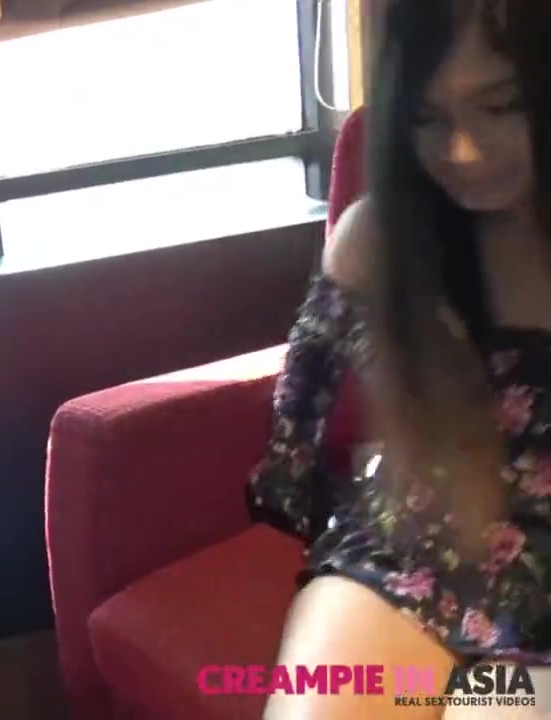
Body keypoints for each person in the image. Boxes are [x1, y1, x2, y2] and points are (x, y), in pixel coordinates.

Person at [246, 0, 549, 717]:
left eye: (499, 105)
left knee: (492, 710)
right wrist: (300, 499)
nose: (462, 151)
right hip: (421, 543)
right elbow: (300, 410)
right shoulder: (385, 237)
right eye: (427, 117)